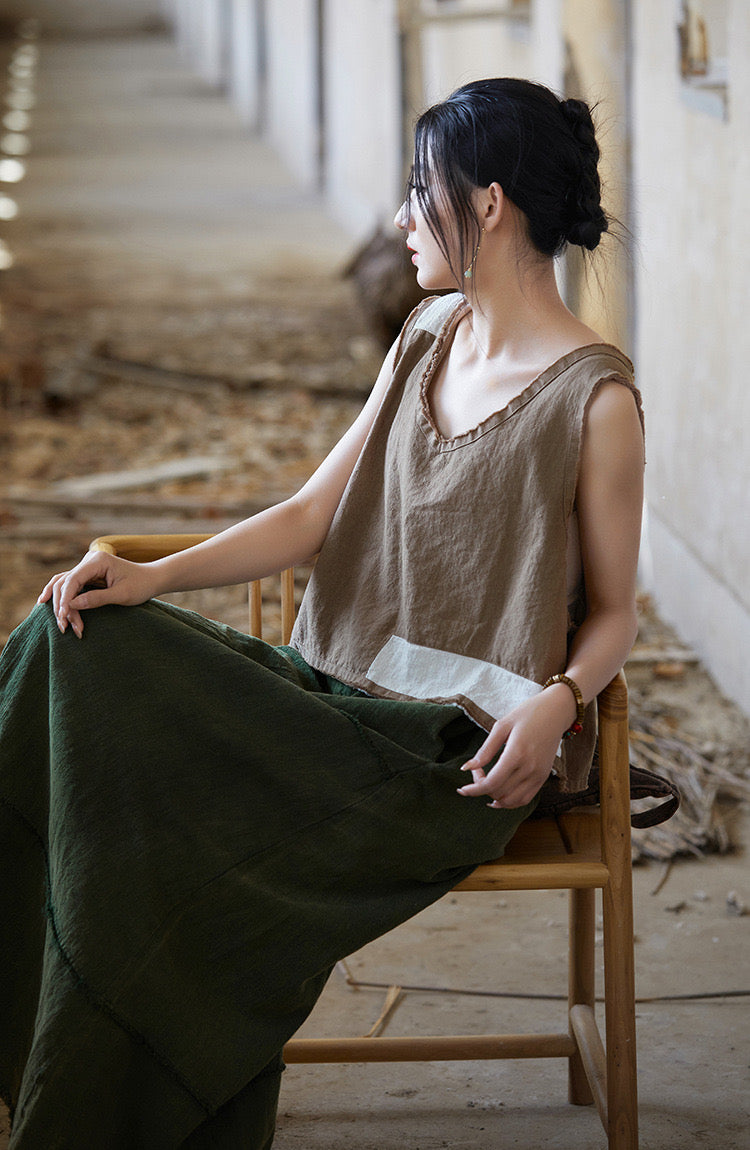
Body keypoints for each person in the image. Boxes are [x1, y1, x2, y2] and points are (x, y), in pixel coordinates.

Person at [0, 77, 644, 1148]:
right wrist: (157, 576)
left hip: (452, 754)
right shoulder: (427, 335)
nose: (400, 217)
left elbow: (618, 612)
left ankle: (116, 1071)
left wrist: (561, 701)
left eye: (419, 190)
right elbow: (311, 513)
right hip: (336, 703)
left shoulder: (596, 401)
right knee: (78, 644)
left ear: (488, 205)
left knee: (152, 805)